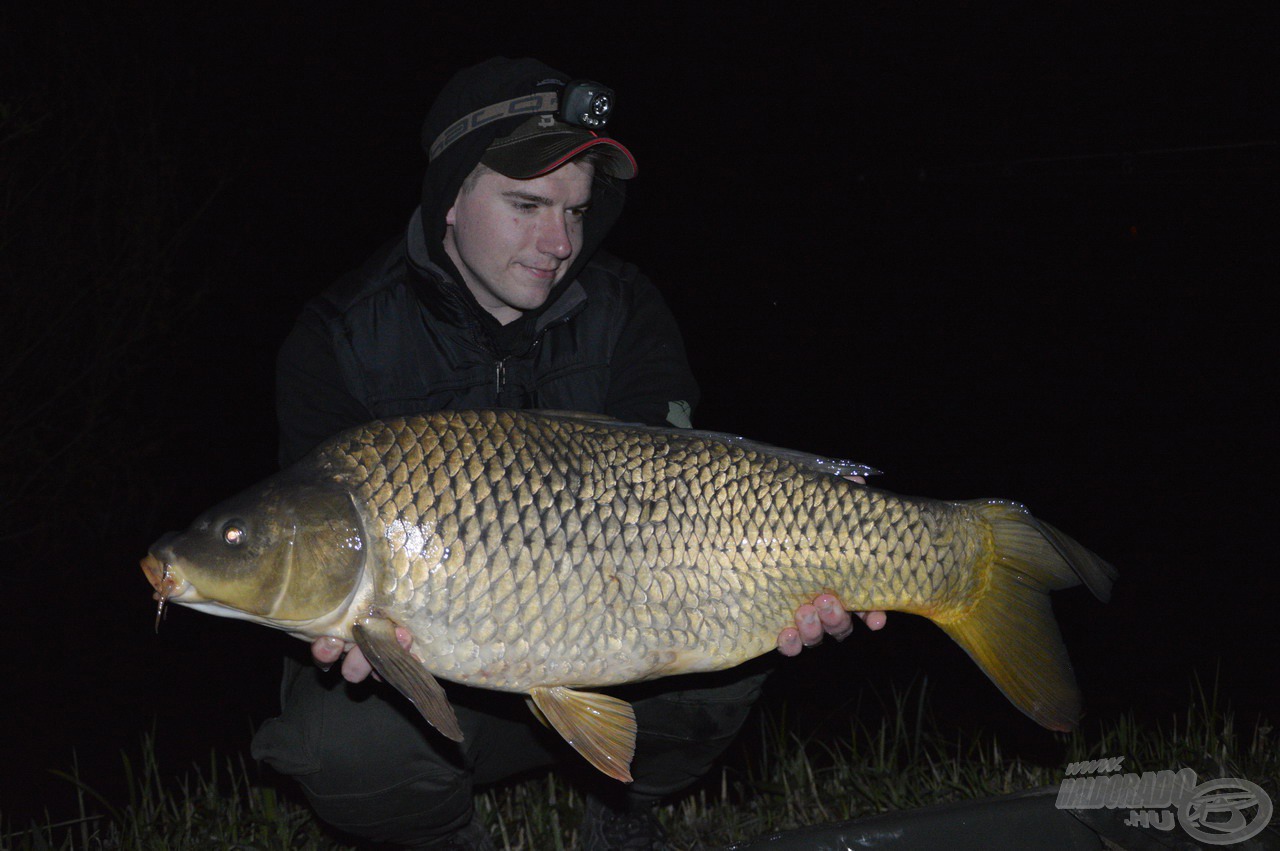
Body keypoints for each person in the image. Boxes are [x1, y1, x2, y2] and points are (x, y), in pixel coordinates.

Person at [250, 57, 885, 850]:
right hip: (433, 670)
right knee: (337, 744)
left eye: (577, 212)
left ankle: (622, 807)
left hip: (608, 631)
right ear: (449, 200)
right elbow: (307, 532)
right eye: (527, 205)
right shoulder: (336, 338)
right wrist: (340, 629)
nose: (558, 242)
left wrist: (795, 570)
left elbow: (687, 501)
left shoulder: (625, 309)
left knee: (734, 653)